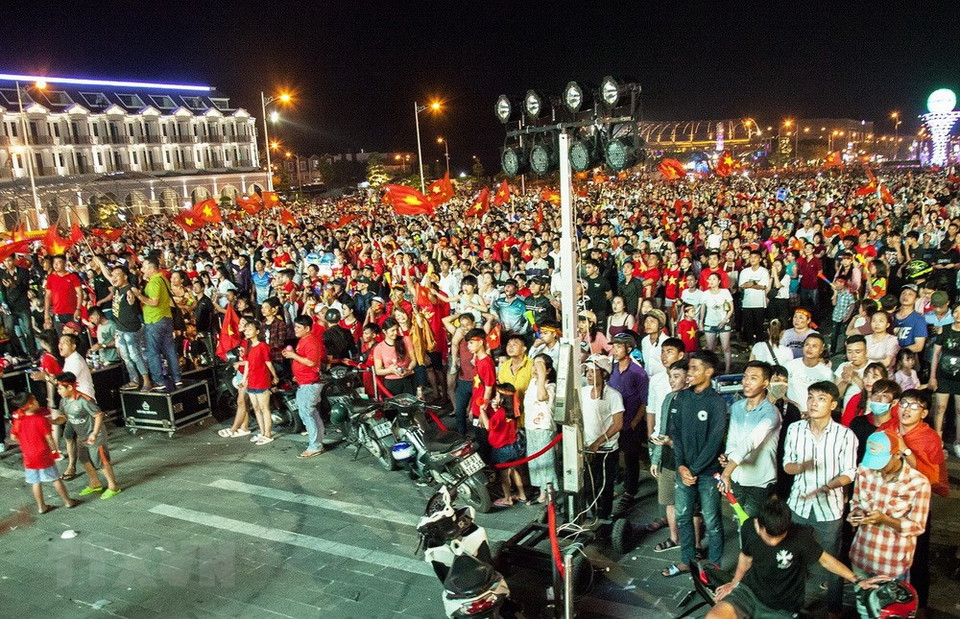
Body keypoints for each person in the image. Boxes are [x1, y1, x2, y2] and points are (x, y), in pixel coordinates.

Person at [708, 497, 881, 619]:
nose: (775, 542)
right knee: (714, 616)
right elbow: (746, 558)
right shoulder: (748, 528)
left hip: (783, 608)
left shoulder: (801, 536)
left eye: (780, 537)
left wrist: (857, 580)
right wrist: (734, 583)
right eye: (769, 537)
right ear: (758, 526)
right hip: (749, 593)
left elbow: (825, 560)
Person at [782, 381, 858, 618]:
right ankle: (793, 604)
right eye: (811, 397)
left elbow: (849, 472)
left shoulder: (845, 435)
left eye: (821, 398)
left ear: (833, 404)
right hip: (798, 504)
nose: (814, 403)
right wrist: (801, 466)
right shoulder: (795, 429)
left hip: (829, 509)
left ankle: (833, 610)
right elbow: (786, 466)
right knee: (792, 557)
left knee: (831, 561)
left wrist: (829, 485)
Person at [849, 429, 930, 614]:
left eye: (882, 463)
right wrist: (855, 514)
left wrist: (886, 520)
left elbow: (918, 526)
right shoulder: (864, 469)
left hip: (891, 564)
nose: (877, 468)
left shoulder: (918, 483)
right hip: (861, 555)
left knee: (888, 613)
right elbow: (856, 502)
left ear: (898, 454)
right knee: (864, 610)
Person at [662, 350, 727, 577]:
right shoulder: (682, 398)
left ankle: (715, 566)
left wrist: (695, 469)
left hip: (707, 473)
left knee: (712, 520)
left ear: (709, 372)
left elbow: (715, 440)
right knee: (683, 515)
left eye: (695, 368)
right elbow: (676, 434)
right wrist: (681, 466)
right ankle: (687, 560)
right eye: (689, 368)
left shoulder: (716, 403)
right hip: (684, 470)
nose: (690, 372)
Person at [896, 389, 948, 615]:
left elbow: (931, 477)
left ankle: (920, 605)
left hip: (916, 506)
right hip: (889, 503)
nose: (906, 409)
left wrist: (905, 450)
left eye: (914, 406)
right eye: (904, 403)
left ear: (925, 413)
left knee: (917, 557)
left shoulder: (929, 438)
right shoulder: (887, 429)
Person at [718, 361, 781, 519]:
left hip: (759, 482)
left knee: (755, 527)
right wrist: (729, 457)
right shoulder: (737, 407)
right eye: (745, 377)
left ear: (765, 383)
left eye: (753, 378)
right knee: (741, 523)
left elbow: (751, 442)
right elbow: (733, 440)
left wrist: (726, 472)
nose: (746, 382)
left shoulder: (771, 413)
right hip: (737, 478)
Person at [55, 372, 121, 500]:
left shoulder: (84, 400)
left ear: (70, 387)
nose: (58, 391)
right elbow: (62, 418)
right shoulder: (63, 402)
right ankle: (95, 482)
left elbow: (99, 415)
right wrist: (51, 421)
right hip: (81, 435)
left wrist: (94, 433)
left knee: (101, 461)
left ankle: (113, 486)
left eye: (60, 388)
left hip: (95, 436)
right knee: (84, 459)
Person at [8, 393, 77, 513]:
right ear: (30, 405)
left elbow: (13, 437)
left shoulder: (18, 420)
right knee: (55, 479)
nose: (37, 402)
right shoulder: (40, 420)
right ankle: (67, 501)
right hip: (43, 454)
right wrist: (55, 451)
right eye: (34, 401)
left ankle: (41, 507)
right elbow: (49, 438)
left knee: (35, 482)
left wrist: (25, 443)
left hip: (28, 456)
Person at [608, 332, 649, 513]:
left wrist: (635, 421)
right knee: (614, 454)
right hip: (614, 421)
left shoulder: (638, 372)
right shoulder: (612, 368)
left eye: (619, 347)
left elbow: (644, 401)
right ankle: (619, 482)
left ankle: (630, 491)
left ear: (629, 349)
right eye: (614, 346)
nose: (614, 350)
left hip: (631, 421)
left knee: (631, 457)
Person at [580, 354, 624, 524]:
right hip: (588, 447)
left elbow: (618, 424)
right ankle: (593, 514)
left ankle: (604, 518)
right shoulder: (583, 392)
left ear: (604, 374)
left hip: (606, 449)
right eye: (588, 371)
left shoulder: (613, 395)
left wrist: (598, 442)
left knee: (604, 485)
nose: (589, 375)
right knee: (588, 484)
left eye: (593, 372)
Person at [131, 255, 182, 391]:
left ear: (151, 268)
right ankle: (177, 378)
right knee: (170, 350)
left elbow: (154, 302)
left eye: (144, 267)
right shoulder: (163, 279)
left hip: (155, 320)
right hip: (166, 318)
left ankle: (159, 381)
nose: (142, 269)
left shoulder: (154, 282)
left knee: (153, 352)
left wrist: (139, 296)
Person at [279, 315, 327, 458]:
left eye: (298, 327)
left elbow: (312, 362)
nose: (295, 330)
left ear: (307, 328)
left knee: (308, 413)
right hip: (304, 382)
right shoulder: (303, 340)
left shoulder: (311, 341)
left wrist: (293, 356)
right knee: (310, 413)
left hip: (310, 383)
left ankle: (315, 445)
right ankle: (317, 442)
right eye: (295, 327)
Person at [101, 261, 152, 391]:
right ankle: (134, 381)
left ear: (125, 276)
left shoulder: (130, 289)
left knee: (135, 355)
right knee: (126, 357)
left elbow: (134, 296)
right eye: (113, 275)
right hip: (121, 329)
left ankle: (147, 381)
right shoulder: (118, 288)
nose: (114, 277)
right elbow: (107, 275)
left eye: (117, 274)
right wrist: (99, 262)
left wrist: (132, 298)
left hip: (131, 330)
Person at [523, 353, 558, 504]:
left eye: (540, 365)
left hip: (544, 428)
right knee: (535, 461)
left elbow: (542, 396)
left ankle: (550, 493)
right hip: (530, 426)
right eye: (534, 364)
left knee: (546, 461)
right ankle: (542, 491)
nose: (535, 368)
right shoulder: (532, 382)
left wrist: (542, 376)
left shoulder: (551, 386)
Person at [241, 319, 279, 445]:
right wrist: (244, 379)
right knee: (256, 408)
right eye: (246, 329)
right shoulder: (247, 345)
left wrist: (274, 376)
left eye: (250, 329)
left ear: (257, 331)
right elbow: (247, 363)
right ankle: (262, 432)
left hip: (262, 380)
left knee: (264, 408)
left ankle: (268, 434)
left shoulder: (263, 346)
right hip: (251, 381)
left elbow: (269, 363)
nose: (247, 331)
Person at [488, 383, 526, 507]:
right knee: (515, 471)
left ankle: (507, 498)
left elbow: (490, 426)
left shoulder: (500, 413)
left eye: (497, 395)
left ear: (503, 399)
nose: (495, 397)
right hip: (513, 446)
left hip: (501, 448)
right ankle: (522, 494)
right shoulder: (513, 411)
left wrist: (483, 410)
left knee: (504, 476)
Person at [928, 301, 960, 444]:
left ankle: (958, 441)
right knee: (940, 408)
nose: (958, 315)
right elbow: (935, 354)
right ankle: (937, 440)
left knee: (959, 410)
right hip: (943, 375)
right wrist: (932, 377)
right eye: (956, 311)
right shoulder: (944, 329)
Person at [849, 379, 901, 463]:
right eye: (875, 394)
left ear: (894, 402)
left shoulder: (897, 427)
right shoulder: (858, 422)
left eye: (884, 396)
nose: (878, 399)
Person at [785, 333, 834, 416]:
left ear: (821, 350)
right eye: (807, 344)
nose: (809, 348)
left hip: (814, 416)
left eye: (814, 346)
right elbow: (779, 390)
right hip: (791, 413)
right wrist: (788, 402)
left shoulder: (826, 373)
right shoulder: (789, 365)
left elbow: (828, 398)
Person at [372, 317, 417, 396]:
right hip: (392, 383)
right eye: (392, 330)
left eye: (397, 329)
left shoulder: (405, 340)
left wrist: (408, 369)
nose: (395, 332)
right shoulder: (379, 348)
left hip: (408, 378)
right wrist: (390, 370)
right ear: (384, 331)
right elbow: (378, 370)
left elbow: (413, 360)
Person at [1, 254, 35, 356]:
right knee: (10, 331)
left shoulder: (23, 272)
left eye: (10, 260)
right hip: (9, 307)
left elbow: (25, 288)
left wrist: (13, 286)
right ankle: (20, 353)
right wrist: (3, 304)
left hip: (23, 305)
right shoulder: (2, 274)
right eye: (5, 261)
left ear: (14, 260)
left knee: (28, 330)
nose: (8, 263)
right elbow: (2, 291)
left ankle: (32, 352)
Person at [700, 272, 734, 373]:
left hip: (723, 322)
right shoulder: (705, 294)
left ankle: (727, 371)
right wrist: (701, 321)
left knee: (726, 347)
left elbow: (731, 309)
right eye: (709, 279)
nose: (711, 281)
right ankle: (711, 370)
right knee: (710, 349)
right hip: (710, 323)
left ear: (719, 281)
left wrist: (725, 320)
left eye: (714, 279)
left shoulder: (725, 292)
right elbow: (703, 308)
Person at [43, 255, 82, 335]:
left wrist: (78, 309)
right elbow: (47, 296)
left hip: (72, 312)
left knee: (74, 336)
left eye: (59, 262)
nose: (56, 265)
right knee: (61, 336)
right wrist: (46, 313)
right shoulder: (50, 278)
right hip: (57, 313)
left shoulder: (72, 277)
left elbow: (80, 294)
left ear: (65, 264)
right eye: (54, 262)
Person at [738, 249, 770, 345]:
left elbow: (763, 286)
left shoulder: (764, 271)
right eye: (751, 257)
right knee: (748, 326)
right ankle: (750, 345)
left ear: (760, 259)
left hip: (759, 303)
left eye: (755, 257)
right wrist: (756, 283)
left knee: (759, 326)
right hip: (747, 303)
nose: (752, 259)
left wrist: (751, 284)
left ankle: (759, 345)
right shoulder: (745, 271)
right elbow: (742, 285)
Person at [835, 334, 870, 409]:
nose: (853, 356)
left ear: (866, 352)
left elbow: (871, 393)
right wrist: (844, 382)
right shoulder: (843, 366)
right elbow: (837, 395)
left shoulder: (873, 367)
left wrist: (854, 376)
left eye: (857, 352)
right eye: (849, 352)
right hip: (848, 410)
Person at [893, 284, 928, 355]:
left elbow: (918, 346)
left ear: (916, 299)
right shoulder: (891, 316)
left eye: (910, 294)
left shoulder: (918, 319)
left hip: (906, 358)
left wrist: (898, 352)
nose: (906, 296)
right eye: (903, 293)